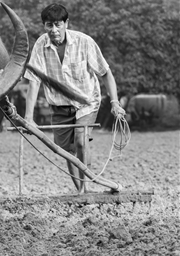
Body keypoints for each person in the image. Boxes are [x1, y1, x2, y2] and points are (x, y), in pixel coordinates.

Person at [24, 3, 126, 193]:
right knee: (66, 151)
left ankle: (85, 188)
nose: (53, 30)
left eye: (57, 24)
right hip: (60, 106)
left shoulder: (84, 42)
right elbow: (34, 81)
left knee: (80, 140)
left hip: (86, 102)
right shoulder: (40, 45)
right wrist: (28, 117)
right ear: (44, 26)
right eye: (48, 25)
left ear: (66, 23)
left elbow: (105, 73)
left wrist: (114, 102)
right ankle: (82, 190)